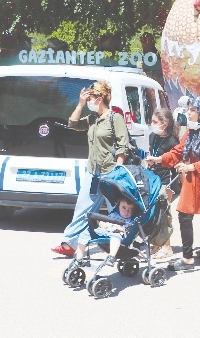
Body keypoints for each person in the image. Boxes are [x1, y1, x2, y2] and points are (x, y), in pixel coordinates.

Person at [146, 96, 200, 271]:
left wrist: (190, 167)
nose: (189, 113)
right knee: (184, 213)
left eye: (193, 110)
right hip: (194, 177)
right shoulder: (192, 131)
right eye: (189, 109)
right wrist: (158, 159)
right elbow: (178, 151)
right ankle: (187, 258)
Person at [52, 81, 129, 256]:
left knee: (118, 212)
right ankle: (69, 243)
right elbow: (73, 123)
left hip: (111, 173)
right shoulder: (93, 119)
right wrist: (79, 104)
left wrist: (117, 170)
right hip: (93, 173)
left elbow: (123, 146)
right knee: (83, 209)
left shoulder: (114, 118)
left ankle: (124, 246)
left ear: (100, 99)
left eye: (91, 98)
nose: (89, 102)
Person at [147, 108, 181, 259]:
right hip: (153, 176)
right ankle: (157, 243)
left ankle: (167, 246)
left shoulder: (172, 141)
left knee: (164, 212)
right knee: (154, 211)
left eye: (155, 121)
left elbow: (175, 161)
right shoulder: (152, 136)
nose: (152, 124)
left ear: (165, 124)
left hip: (166, 178)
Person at [73, 195, 137, 267]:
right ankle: (79, 259)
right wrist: (103, 224)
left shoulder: (131, 220)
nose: (126, 211)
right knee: (85, 233)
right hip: (105, 232)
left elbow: (129, 230)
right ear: (118, 206)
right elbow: (104, 222)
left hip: (117, 235)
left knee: (116, 236)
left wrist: (119, 228)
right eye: (124, 208)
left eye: (130, 209)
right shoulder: (114, 214)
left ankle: (111, 257)